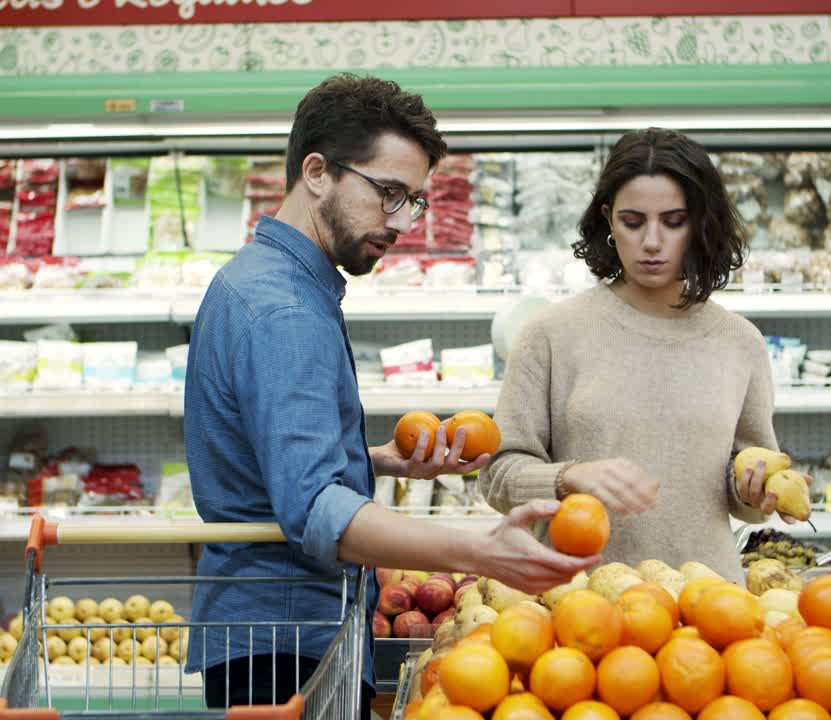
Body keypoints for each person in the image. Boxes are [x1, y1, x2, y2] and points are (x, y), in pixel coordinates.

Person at [183, 74, 597, 717]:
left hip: (273, 633)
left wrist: (370, 458)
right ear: (317, 171)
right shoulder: (283, 308)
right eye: (389, 194)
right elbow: (317, 511)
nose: (403, 222)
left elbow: (269, 462)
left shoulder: (269, 281)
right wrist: (479, 548)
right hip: (284, 647)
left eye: (416, 201)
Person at [481, 127, 809, 586]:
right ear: (608, 221)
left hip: (710, 608)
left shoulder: (740, 342)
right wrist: (569, 477)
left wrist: (754, 491)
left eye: (673, 221)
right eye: (633, 221)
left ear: (700, 224)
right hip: (579, 606)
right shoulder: (552, 333)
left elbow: (747, 486)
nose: (652, 241)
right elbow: (497, 476)